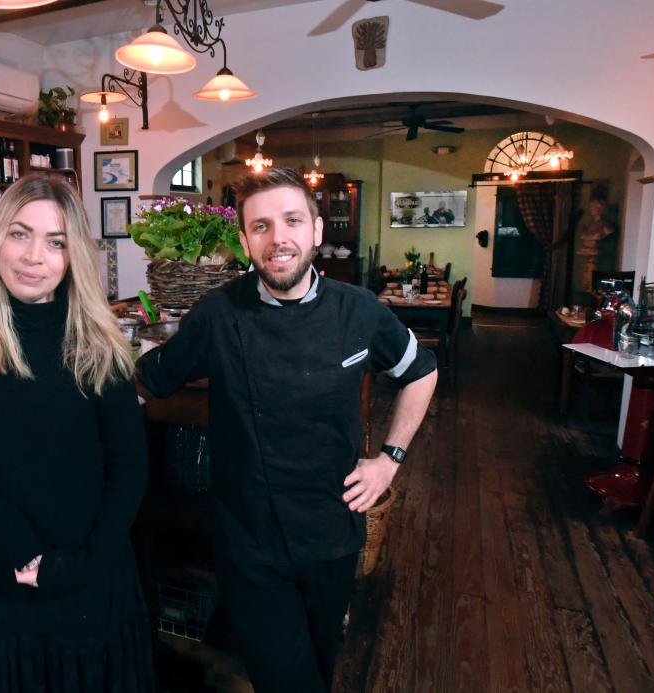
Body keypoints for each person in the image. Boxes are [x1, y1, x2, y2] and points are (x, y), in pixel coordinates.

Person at [136, 168, 437, 693]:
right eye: (261, 226)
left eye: (293, 221)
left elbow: (422, 371)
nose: (278, 239)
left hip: (332, 533)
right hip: (250, 540)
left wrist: (389, 459)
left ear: (317, 231)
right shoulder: (217, 314)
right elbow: (147, 381)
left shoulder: (359, 311)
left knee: (320, 663)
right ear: (245, 239)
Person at [0, 174, 154, 693]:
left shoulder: (99, 342)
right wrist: (17, 538)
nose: (33, 257)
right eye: (19, 234)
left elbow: (130, 467)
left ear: (73, 258)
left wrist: (80, 565)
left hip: (89, 574)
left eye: (55, 242)